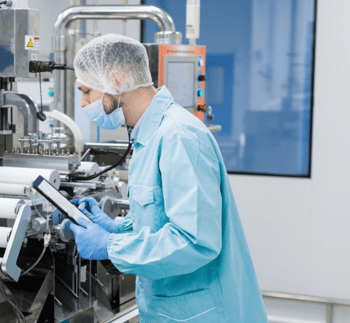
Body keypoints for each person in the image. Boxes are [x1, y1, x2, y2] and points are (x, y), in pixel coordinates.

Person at [63, 34, 269, 323]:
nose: (84, 103)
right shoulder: (150, 134)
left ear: (118, 81)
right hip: (172, 310)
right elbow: (160, 217)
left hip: (205, 314)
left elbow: (195, 241)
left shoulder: (178, 136)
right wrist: (117, 229)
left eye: (86, 91)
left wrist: (110, 245)